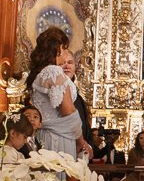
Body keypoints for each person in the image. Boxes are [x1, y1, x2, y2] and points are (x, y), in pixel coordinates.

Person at [25, 26, 86, 160]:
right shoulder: (53, 72)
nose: (65, 52)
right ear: (58, 49)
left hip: (44, 136)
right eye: (64, 48)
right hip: (59, 138)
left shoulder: (40, 74)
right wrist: (81, 141)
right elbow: (68, 111)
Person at [60, 50, 93, 158]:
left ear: (75, 67)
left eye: (70, 63)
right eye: (62, 63)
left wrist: (88, 147)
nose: (66, 66)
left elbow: (86, 127)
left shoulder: (78, 98)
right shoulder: (54, 91)